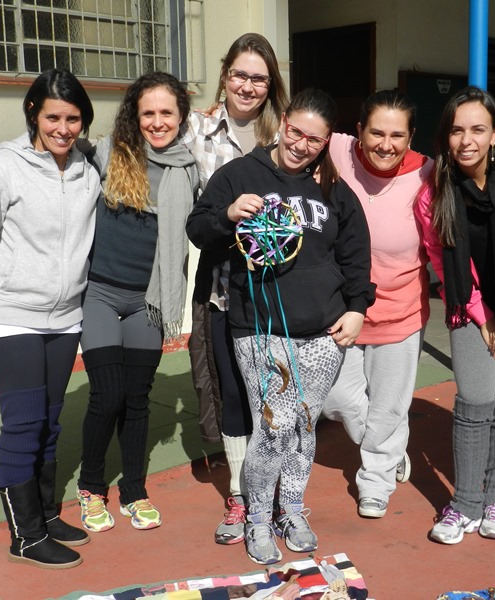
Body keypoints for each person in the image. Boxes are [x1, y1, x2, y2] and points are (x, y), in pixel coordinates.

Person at [186, 88, 375, 565]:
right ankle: (257, 516)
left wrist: (357, 307)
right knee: (273, 427)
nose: (301, 145)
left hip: (325, 331)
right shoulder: (240, 174)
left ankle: (290, 508)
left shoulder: (332, 187)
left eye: (314, 140)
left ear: (326, 141)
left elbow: (355, 253)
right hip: (259, 325)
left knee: (305, 426)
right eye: (296, 132)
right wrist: (229, 214)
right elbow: (198, 228)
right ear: (284, 121)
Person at [0, 69, 99, 569]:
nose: (63, 128)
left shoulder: (86, 170)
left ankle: (45, 516)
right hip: (9, 316)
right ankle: (26, 536)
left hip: (65, 319)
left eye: (73, 119)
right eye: (53, 117)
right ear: (33, 112)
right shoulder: (0, 168)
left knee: (50, 424)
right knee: (23, 423)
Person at [74, 72, 198, 533]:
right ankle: (90, 487)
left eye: (167, 112)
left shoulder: (189, 169)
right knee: (107, 394)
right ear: (135, 114)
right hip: (101, 295)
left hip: (149, 300)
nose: (157, 121)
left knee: (138, 398)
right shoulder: (107, 153)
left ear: (181, 117)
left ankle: (134, 489)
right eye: (148, 112)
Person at [414, 86, 495, 545]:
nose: (467, 141)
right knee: (475, 401)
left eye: (478, 129)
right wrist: (482, 315)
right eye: (456, 130)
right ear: (445, 136)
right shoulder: (433, 193)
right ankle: (466, 502)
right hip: (468, 306)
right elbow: (443, 262)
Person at [182, 32, 288, 545]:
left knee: (276, 391)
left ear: (272, 85)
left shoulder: (287, 137)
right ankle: (241, 494)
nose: (247, 86)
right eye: (239, 74)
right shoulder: (195, 130)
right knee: (231, 390)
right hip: (224, 286)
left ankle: (279, 492)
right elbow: (142, 141)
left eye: (258, 78)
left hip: (281, 292)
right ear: (225, 75)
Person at [322, 89, 432, 518]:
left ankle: (376, 482)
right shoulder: (336, 151)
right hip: (341, 310)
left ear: (411, 137)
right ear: (358, 131)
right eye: (376, 133)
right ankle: (390, 447)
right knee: (334, 399)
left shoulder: (428, 174)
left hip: (401, 313)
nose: (386, 145)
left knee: (389, 405)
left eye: (397, 135)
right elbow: (286, 125)